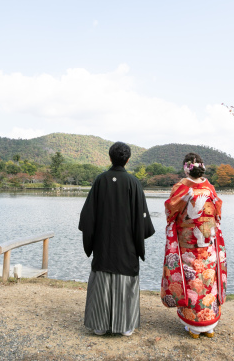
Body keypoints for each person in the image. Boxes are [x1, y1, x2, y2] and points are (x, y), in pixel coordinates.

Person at [78, 141, 155, 336]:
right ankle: (125, 326)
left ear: (110, 158)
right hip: (127, 246)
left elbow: (87, 216)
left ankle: (100, 325)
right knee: (125, 281)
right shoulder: (133, 182)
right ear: (127, 160)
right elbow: (142, 219)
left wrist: (92, 239)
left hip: (103, 244)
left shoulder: (100, 180)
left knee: (102, 278)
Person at [160, 152, 227, 339]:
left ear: (186, 169)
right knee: (208, 281)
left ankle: (194, 326)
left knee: (191, 280)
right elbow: (218, 213)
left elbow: (170, 211)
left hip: (188, 244)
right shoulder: (210, 188)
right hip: (208, 244)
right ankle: (209, 325)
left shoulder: (181, 188)